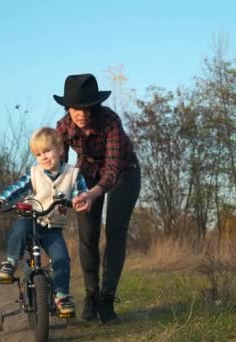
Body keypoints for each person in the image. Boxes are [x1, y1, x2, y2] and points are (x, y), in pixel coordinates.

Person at [54, 73, 141, 324]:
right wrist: (60, 196)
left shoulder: (110, 121)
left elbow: (112, 168)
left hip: (124, 173)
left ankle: (107, 298)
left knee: (115, 231)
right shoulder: (63, 127)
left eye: (86, 107)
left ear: (96, 105)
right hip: (88, 174)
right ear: (67, 107)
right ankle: (91, 296)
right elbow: (59, 167)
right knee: (87, 233)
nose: (80, 113)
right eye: (74, 108)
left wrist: (94, 193)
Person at [0, 127, 91, 315]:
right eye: (38, 154)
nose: (43, 157)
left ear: (60, 150)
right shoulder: (34, 173)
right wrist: (1, 200)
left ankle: (62, 296)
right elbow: (17, 189)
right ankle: (10, 262)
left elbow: (80, 193)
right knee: (19, 229)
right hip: (32, 220)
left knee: (61, 259)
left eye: (47, 151)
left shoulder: (73, 174)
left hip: (53, 227)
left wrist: (79, 200)